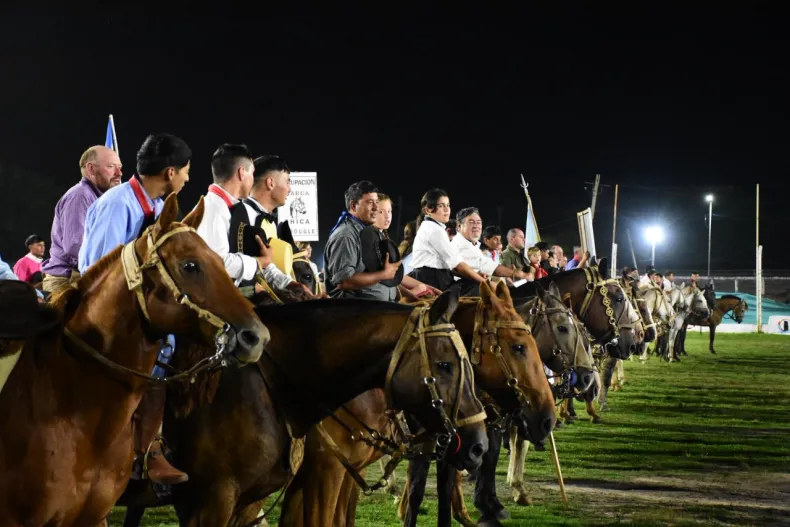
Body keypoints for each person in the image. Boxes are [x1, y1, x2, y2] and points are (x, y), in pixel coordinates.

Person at [78, 133, 192, 486]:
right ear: (170, 172)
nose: (188, 178)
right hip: (111, 321)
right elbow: (100, 270)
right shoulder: (118, 205)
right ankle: (144, 451)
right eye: (186, 171)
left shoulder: (158, 208)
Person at [41, 145, 122, 295]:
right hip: (68, 281)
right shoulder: (80, 195)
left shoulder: (100, 198)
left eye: (120, 167)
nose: (119, 173)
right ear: (90, 169)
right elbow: (74, 245)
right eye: (111, 167)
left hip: (83, 276)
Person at [194, 144, 273, 290]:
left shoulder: (228, 207)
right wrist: (258, 263)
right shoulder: (213, 208)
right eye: (252, 173)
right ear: (242, 173)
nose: (253, 180)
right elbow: (218, 262)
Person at [324, 181, 402, 300]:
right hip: (357, 313)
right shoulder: (346, 235)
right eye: (370, 202)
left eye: (376, 202)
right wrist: (383, 275)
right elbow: (344, 281)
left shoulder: (369, 231)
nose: (376, 207)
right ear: (354, 205)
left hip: (378, 310)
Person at [408, 188, 487, 295]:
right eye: (441, 206)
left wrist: (476, 275)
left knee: (473, 283)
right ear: (428, 210)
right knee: (478, 289)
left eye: (448, 205)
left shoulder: (433, 227)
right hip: (433, 280)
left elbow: (453, 266)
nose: (447, 210)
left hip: (438, 277)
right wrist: (484, 282)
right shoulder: (434, 230)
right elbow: (457, 265)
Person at [374, 193, 440, 300]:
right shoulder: (370, 241)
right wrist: (411, 294)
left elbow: (396, 277)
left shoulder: (383, 239)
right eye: (381, 212)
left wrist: (429, 288)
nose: (387, 216)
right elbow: (384, 280)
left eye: (389, 211)